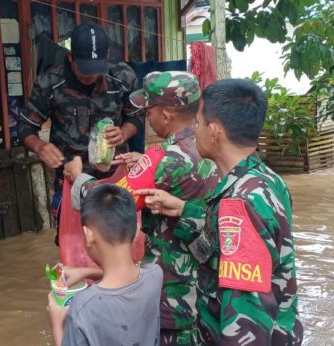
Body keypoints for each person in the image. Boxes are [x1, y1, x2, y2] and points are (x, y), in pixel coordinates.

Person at [135, 79, 304, 345]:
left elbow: (246, 322)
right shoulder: (265, 180)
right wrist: (183, 210)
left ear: (214, 131)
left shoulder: (241, 206)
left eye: (198, 124)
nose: (194, 131)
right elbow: (217, 252)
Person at [63, 71, 219, 345]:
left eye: (149, 110)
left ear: (167, 115)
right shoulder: (207, 146)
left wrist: (78, 178)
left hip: (174, 299)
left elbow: (112, 201)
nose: (146, 118)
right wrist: (145, 161)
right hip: (206, 293)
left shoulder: (167, 159)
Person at [17, 22, 142, 245]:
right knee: (74, 245)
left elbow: (137, 116)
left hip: (116, 181)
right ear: (71, 58)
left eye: (97, 68)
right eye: (85, 69)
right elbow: (26, 127)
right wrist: (40, 147)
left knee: (122, 244)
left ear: (106, 56)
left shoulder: (123, 75)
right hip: (71, 181)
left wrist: (123, 132)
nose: (91, 76)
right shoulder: (50, 82)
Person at [46, 184, 163, 346]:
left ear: (88, 235)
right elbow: (125, 278)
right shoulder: (155, 275)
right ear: (136, 231)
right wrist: (86, 272)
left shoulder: (82, 308)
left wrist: (57, 325)